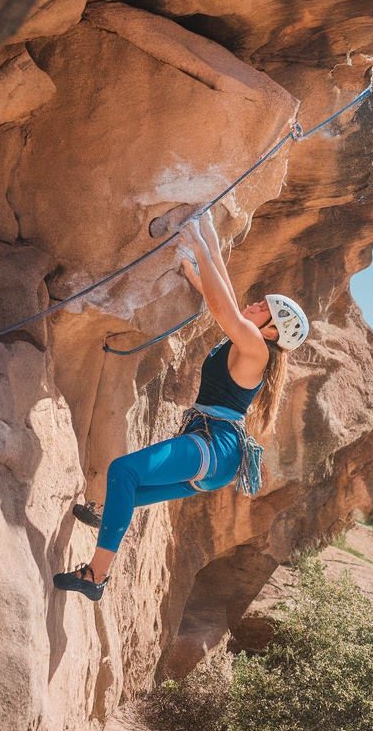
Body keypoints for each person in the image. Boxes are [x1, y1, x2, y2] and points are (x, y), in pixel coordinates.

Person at [53, 212, 309, 600]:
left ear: (272, 332)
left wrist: (198, 244)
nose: (255, 303)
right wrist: (202, 233)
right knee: (129, 492)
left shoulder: (257, 349)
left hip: (215, 447)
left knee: (123, 471)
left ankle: (96, 577)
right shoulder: (248, 336)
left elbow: (223, 308)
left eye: (264, 307)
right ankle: (107, 518)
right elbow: (220, 289)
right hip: (213, 451)